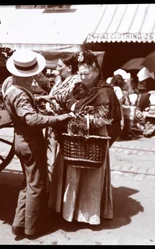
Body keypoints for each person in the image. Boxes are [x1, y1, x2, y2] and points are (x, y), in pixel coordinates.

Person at [1, 49, 74, 237]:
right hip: (30, 142)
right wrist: (59, 118)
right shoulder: (20, 94)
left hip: (20, 140)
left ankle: (19, 223)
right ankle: (31, 229)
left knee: (28, 183)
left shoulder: (10, 84)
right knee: (37, 185)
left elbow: (21, 103)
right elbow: (31, 119)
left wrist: (41, 98)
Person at [48, 50, 122, 225]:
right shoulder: (78, 87)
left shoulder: (105, 91)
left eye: (86, 74)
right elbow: (68, 102)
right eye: (80, 73)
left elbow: (105, 117)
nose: (82, 77)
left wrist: (79, 121)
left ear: (96, 71)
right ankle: (68, 211)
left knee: (90, 176)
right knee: (71, 173)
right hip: (73, 137)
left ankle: (88, 214)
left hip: (94, 137)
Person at [45, 55, 81, 192]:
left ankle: (59, 196)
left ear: (70, 68)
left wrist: (50, 100)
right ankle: (51, 193)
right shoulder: (59, 80)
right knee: (51, 161)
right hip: (53, 124)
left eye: (60, 66)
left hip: (65, 127)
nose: (57, 68)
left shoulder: (76, 81)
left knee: (62, 163)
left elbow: (68, 101)